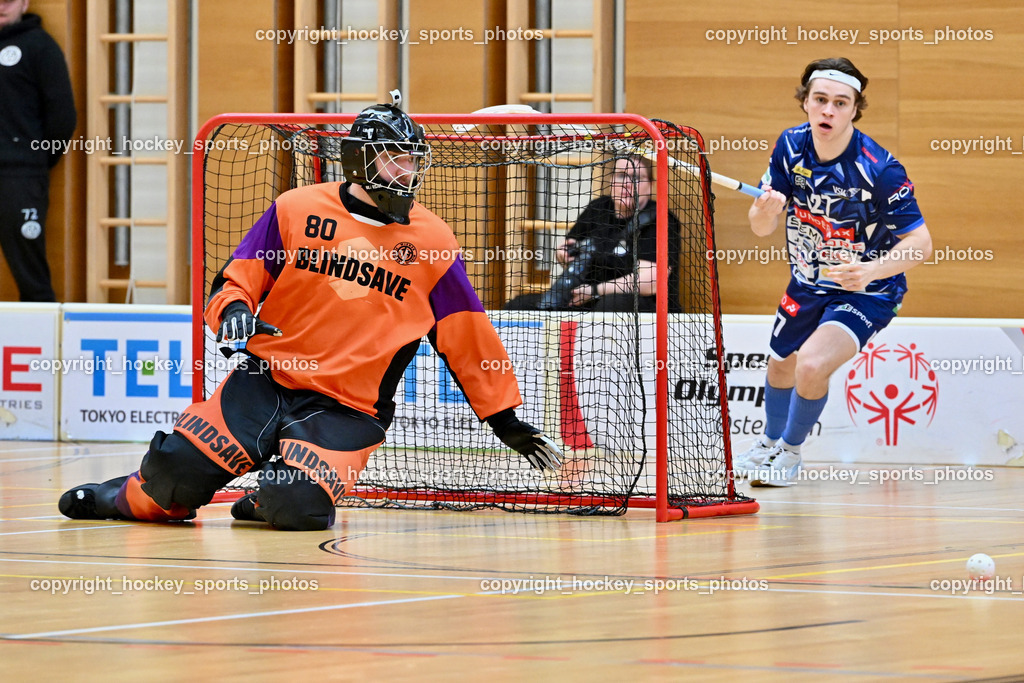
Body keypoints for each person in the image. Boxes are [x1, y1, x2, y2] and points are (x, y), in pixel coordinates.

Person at [59, 94, 563, 531]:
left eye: (413, 161)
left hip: (348, 409)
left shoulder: (433, 241)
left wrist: (503, 418)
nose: (407, 173)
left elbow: (466, 334)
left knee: (295, 506)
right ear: (360, 161)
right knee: (171, 480)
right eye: (395, 160)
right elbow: (237, 280)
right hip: (263, 381)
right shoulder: (296, 208)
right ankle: (117, 493)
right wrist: (233, 311)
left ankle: (261, 503)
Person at [733, 57, 933, 486]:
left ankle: (789, 453)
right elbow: (761, 227)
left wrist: (871, 271)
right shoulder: (790, 146)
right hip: (808, 280)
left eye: (841, 103)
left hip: (867, 289)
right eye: (820, 100)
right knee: (780, 363)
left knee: (810, 365)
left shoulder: (880, 169)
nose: (828, 111)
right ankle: (768, 442)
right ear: (805, 102)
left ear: (854, 109)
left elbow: (921, 244)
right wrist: (763, 210)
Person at [505, 155, 682, 313]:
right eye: (621, 175)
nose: (627, 183)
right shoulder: (598, 208)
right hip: (586, 297)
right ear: (612, 181)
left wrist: (595, 291)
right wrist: (563, 255)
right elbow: (571, 248)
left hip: (639, 306)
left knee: (610, 306)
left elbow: (650, 282)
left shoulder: (660, 219)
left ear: (650, 185)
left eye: (636, 178)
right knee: (519, 306)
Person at [0, 0, 76, 301]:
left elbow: (63, 118)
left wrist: (34, 161)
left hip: (19, 177)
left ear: (24, 3)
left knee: (30, 273)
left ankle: (42, 341)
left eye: (9, 0)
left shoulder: (40, 47)